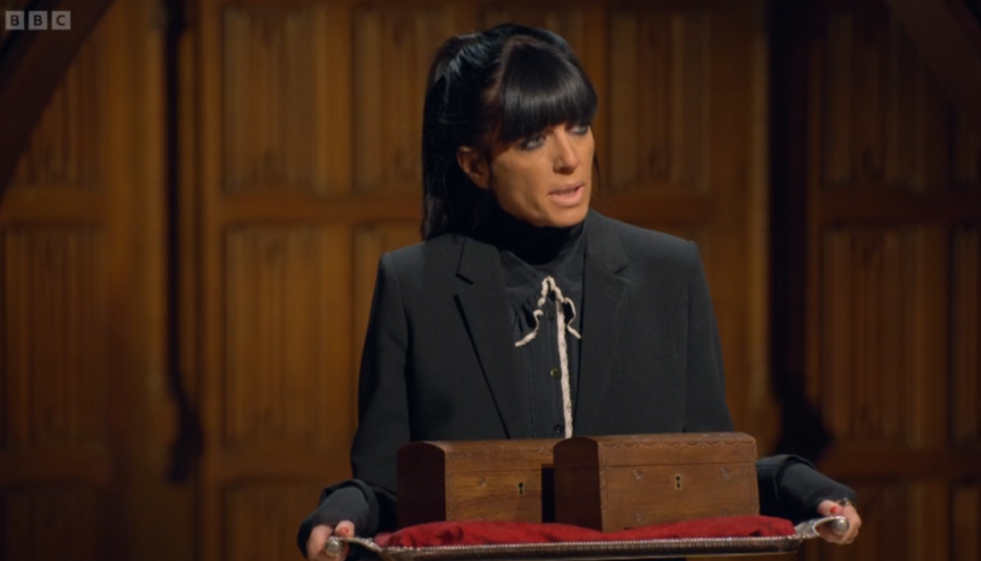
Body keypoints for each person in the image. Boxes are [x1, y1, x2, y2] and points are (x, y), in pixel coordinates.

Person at [297, 23, 861, 561]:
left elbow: (707, 473)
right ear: (475, 165)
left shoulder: (669, 271)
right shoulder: (414, 285)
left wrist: (794, 482)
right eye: (534, 139)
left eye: (580, 126)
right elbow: (386, 489)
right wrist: (344, 511)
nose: (569, 159)